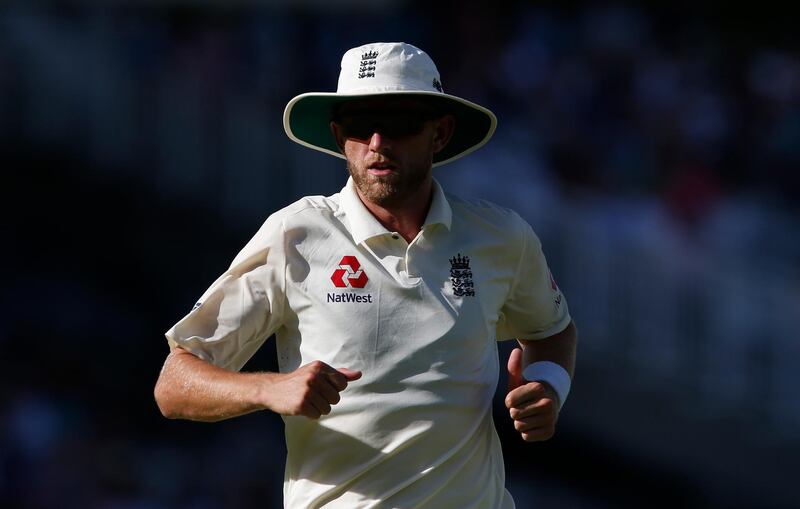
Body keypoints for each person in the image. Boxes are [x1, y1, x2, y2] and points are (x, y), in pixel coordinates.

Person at [154, 42, 577, 508]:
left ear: (441, 132)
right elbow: (174, 385)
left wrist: (549, 387)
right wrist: (269, 387)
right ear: (339, 136)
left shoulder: (503, 236)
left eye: (397, 121)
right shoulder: (295, 233)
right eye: (359, 126)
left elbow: (552, 332)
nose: (377, 143)